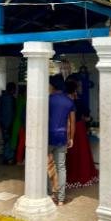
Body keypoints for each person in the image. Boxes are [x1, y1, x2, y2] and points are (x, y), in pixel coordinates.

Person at [65, 77, 98, 188]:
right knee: (82, 153)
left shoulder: (64, 100)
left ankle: (69, 177)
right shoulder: (78, 101)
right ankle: (83, 175)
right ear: (75, 90)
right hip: (79, 127)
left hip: (66, 127)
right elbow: (87, 117)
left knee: (70, 154)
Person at [48, 74, 75, 206]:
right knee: (61, 167)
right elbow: (72, 122)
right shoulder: (69, 101)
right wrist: (71, 138)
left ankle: (49, 194)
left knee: (47, 165)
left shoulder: (48, 99)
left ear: (53, 86)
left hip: (48, 136)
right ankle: (61, 199)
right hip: (62, 136)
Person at [0, 82, 17, 164]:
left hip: (3, 122)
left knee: (6, 141)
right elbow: (9, 112)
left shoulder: (3, 97)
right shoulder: (10, 99)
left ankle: (6, 157)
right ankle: (8, 158)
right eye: (14, 89)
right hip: (8, 123)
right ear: (12, 90)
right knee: (8, 141)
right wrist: (9, 124)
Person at [12, 84, 27, 164]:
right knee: (22, 143)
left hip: (17, 123)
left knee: (18, 143)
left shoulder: (18, 99)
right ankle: (19, 160)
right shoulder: (24, 100)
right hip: (22, 124)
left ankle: (18, 159)